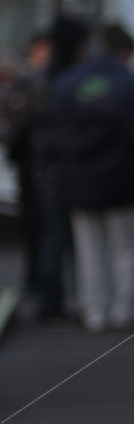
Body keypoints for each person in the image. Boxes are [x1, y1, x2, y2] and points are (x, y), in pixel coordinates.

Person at [35, 24, 134, 331]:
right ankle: (127, 309)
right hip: (123, 180)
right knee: (127, 248)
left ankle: (94, 311)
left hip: (77, 180)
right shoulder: (131, 84)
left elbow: (49, 132)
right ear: (124, 52)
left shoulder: (67, 82)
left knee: (87, 250)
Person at [32, 17, 89, 319]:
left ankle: (50, 301)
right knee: (65, 238)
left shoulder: (47, 76)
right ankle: (67, 301)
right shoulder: (68, 79)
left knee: (53, 237)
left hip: (49, 167)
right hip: (65, 166)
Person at [5, 35, 52, 299]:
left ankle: (42, 280)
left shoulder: (48, 80)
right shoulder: (24, 82)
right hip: (28, 163)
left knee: (45, 225)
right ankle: (35, 279)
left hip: (42, 164)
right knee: (33, 223)